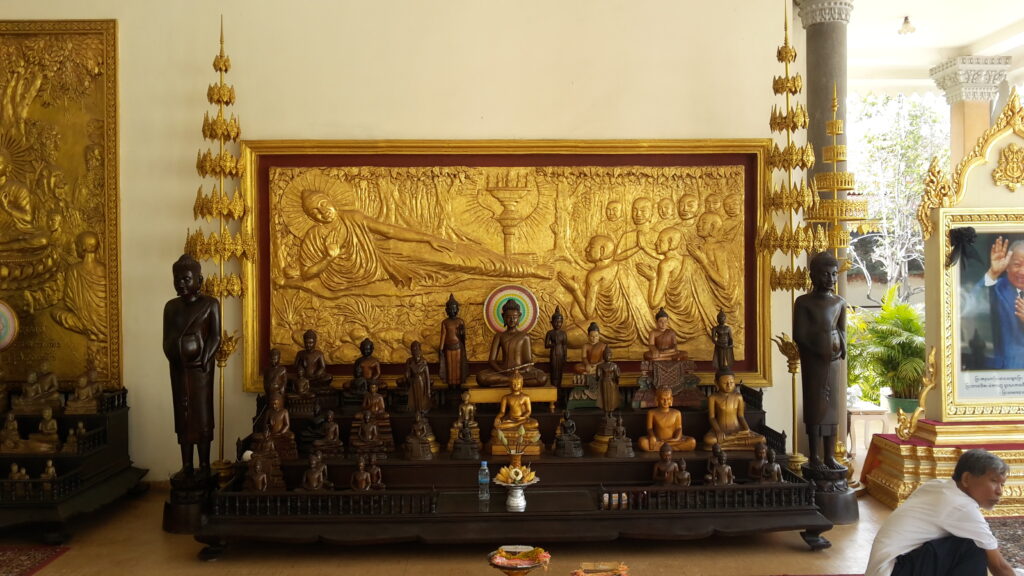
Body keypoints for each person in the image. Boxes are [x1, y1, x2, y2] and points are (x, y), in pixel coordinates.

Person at [865, 449, 1023, 576]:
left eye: (1002, 484)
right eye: (994, 481)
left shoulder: (937, 485)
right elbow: (999, 566)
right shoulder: (961, 506)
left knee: (972, 541)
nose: (999, 491)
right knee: (974, 546)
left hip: (890, 567)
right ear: (966, 479)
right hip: (894, 570)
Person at [162, 254, 221, 476]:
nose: (181, 284)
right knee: (183, 417)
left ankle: (204, 465)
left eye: (186, 279)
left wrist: (204, 358)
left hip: (201, 371)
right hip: (179, 370)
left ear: (199, 280)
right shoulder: (171, 307)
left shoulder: (210, 304)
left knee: (202, 417)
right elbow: (166, 338)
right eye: (177, 279)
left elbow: (215, 337)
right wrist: (174, 353)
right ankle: (186, 465)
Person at [793, 251, 846, 470]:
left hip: (833, 362)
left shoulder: (839, 302)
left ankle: (830, 456)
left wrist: (840, 349)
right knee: (815, 408)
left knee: (832, 409)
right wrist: (817, 350)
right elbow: (799, 334)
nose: (831, 279)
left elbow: (842, 331)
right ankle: (814, 456)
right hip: (813, 363)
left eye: (834, 274)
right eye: (826, 274)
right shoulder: (804, 302)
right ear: (813, 276)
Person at [51, 230, 109, 341]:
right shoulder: (105, 269)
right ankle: (97, 330)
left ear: (82, 247)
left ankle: (90, 329)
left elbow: (68, 300)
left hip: (84, 321)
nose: (76, 249)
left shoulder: (74, 270)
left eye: (77, 246)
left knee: (55, 313)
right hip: (105, 321)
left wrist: (85, 314)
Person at [475, 299, 548, 387]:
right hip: (503, 371)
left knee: (542, 377)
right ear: (503, 317)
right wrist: (502, 371)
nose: (512, 320)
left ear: (519, 317)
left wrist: (521, 371)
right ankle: (515, 381)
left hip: (520, 371)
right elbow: (492, 360)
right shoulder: (499, 336)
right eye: (508, 317)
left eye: (515, 317)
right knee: (481, 377)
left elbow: (528, 361)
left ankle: (507, 381)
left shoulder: (525, 336)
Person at [981, 237, 1024, 369]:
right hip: (1006, 372)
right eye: (1017, 264)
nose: (1022, 272)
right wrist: (992, 273)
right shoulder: (997, 288)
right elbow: (969, 305)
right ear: (1007, 266)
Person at [701, 369, 763, 450]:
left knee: (762, 439)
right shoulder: (713, 397)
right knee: (708, 440)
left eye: (731, 382)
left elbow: (741, 416)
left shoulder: (738, 397)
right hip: (721, 430)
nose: (728, 385)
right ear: (716, 383)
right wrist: (718, 431)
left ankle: (725, 446)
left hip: (737, 430)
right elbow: (712, 417)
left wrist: (747, 429)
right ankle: (739, 445)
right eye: (724, 383)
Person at [637, 386, 696, 452]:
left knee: (692, 442)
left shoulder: (677, 413)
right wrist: (652, 436)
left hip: (672, 440)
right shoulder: (652, 413)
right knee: (642, 442)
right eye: (663, 399)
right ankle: (672, 448)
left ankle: (663, 447)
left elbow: (679, 428)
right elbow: (649, 428)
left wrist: (677, 438)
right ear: (657, 399)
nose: (666, 402)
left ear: (671, 399)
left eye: (668, 399)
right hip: (658, 440)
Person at [438, 294, 468, 390]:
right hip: (448, 347)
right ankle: (451, 385)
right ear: (446, 310)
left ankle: (458, 384)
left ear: (457, 310)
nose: (452, 311)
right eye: (450, 309)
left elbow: (463, 337)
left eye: (454, 308)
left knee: (458, 366)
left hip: (458, 346)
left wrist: (462, 332)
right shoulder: (445, 322)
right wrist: (441, 348)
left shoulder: (460, 321)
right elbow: (443, 335)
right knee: (449, 366)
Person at [402, 341, 432, 413]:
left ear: (419, 350)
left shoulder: (423, 361)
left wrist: (428, 390)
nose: (414, 351)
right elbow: (407, 372)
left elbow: (427, 377)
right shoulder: (409, 360)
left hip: (420, 381)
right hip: (412, 381)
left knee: (420, 397)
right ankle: (415, 410)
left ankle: (420, 410)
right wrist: (407, 376)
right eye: (413, 349)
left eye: (416, 349)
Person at [544, 307, 568, 388]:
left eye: (560, 322)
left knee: (560, 370)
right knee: (554, 369)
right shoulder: (550, 333)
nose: (558, 324)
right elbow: (546, 345)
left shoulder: (563, 333)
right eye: (556, 322)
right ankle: (553, 385)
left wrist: (565, 356)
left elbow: (565, 345)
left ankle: (559, 385)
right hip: (553, 353)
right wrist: (553, 345)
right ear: (552, 323)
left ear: (562, 323)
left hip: (561, 353)